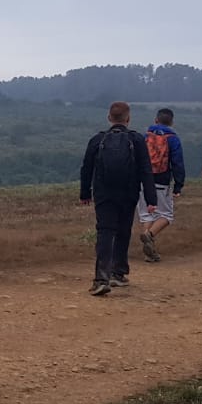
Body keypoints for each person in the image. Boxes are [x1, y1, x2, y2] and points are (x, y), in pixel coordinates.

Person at [80, 102, 156, 295]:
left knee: (105, 232)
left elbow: (86, 168)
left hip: (104, 193)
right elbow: (146, 170)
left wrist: (85, 193)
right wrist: (150, 199)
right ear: (128, 119)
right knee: (123, 231)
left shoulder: (97, 140)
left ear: (109, 118)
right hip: (128, 193)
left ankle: (101, 278)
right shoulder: (137, 140)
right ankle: (118, 272)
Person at [138, 108, 185, 263]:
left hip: (143, 180)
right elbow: (177, 163)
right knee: (166, 215)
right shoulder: (173, 139)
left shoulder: (145, 137)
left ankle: (148, 252)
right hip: (162, 181)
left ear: (155, 120)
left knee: (146, 214)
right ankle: (150, 235)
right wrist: (178, 184)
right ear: (171, 122)